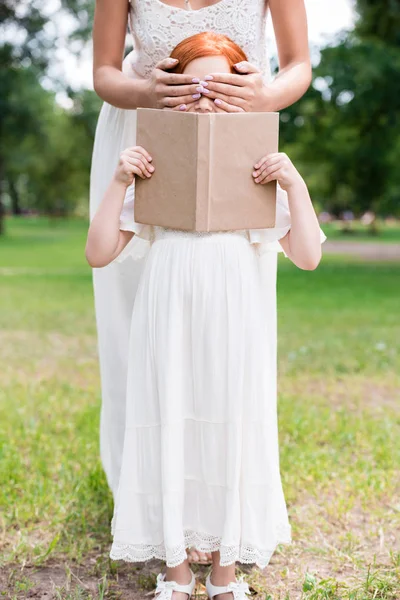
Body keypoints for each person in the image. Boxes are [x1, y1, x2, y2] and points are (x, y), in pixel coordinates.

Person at [87, 32, 326, 600]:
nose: (205, 96)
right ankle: (175, 568)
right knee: (171, 413)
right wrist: (120, 179)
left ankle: (224, 572)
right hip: (167, 307)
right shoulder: (154, 163)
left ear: (240, 89)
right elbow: (99, 252)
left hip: (232, 312)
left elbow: (309, 255)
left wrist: (293, 183)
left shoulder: (255, 167)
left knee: (229, 420)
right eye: (195, 84)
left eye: (219, 83)